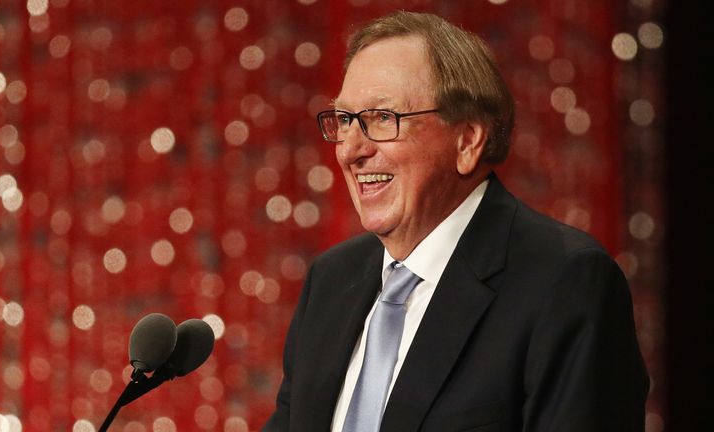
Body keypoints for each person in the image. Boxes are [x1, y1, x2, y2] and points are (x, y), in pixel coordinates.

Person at [264, 11, 648, 432]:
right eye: (344, 120)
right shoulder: (332, 279)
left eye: (381, 119)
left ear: (467, 140)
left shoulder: (565, 282)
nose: (350, 150)